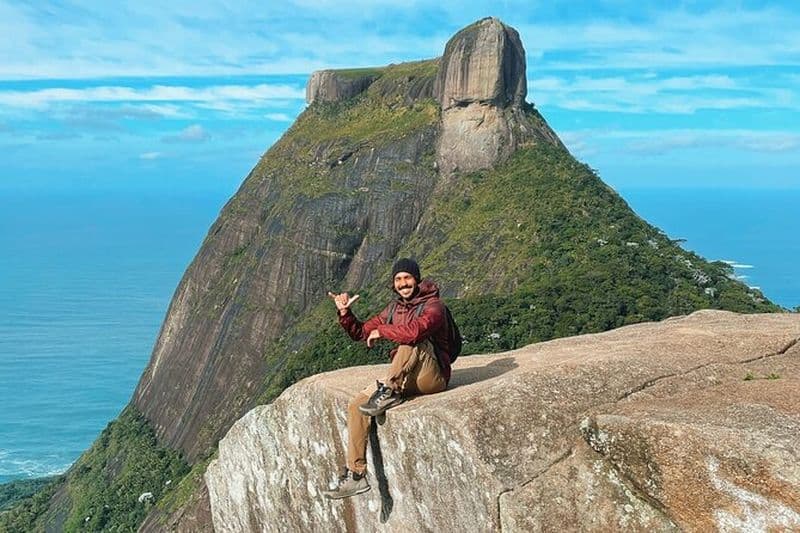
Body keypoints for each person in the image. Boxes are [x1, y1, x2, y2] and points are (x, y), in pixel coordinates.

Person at [322, 258, 453, 499]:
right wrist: (345, 313)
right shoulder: (394, 309)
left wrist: (382, 331)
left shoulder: (434, 306)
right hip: (406, 375)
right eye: (398, 279)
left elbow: (414, 332)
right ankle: (357, 475)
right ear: (394, 284)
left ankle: (389, 391)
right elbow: (361, 332)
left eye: (407, 278)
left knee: (413, 340)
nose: (403, 283)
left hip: (432, 377)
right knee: (356, 405)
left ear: (417, 279)